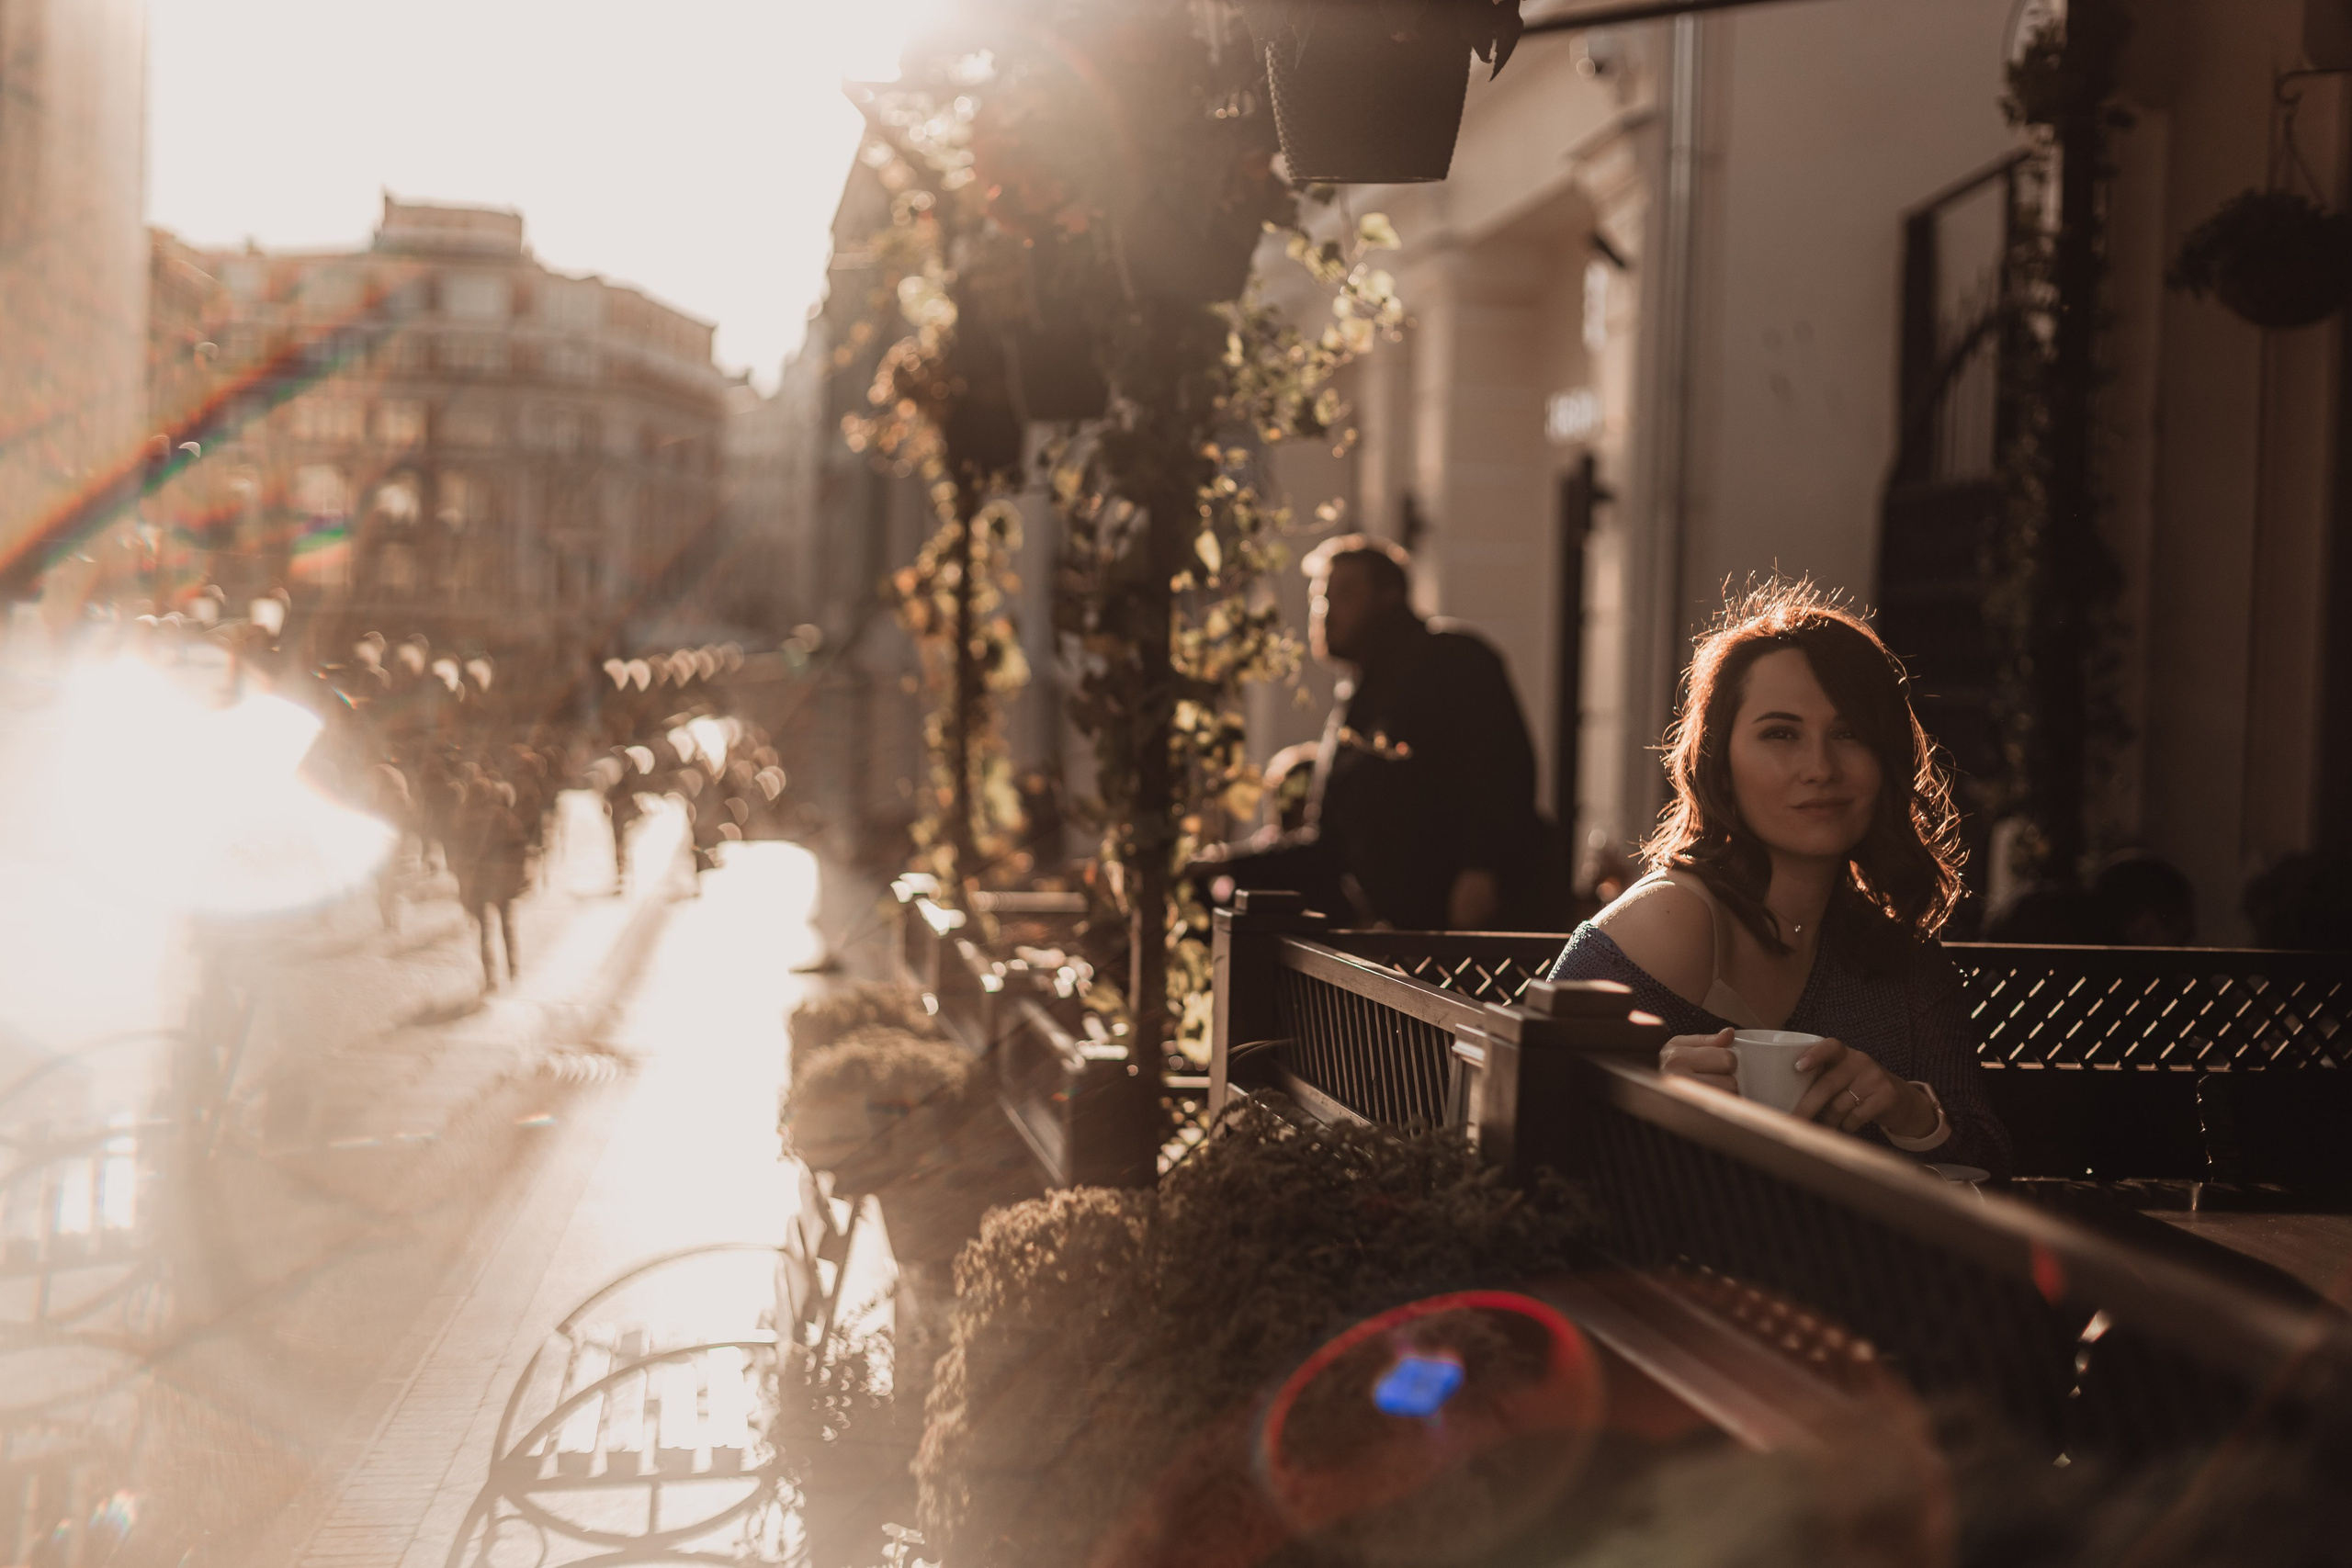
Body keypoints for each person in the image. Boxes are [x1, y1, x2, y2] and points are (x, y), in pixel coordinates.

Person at [1545, 581, 2009, 1176]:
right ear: (1721, 762)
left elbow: (1991, 1163)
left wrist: (1907, 1108)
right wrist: (1644, 1094)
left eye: (1849, 733)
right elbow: (1520, 1118)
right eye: (1780, 733)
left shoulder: (1902, 962)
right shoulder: (1673, 921)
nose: (1820, 768)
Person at [1197, 536, 1547, 929]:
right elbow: (1328, 844)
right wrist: (1225, 862)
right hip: (1410, 933)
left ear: (1389, 597)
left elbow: (1504, 769)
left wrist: (1482, 869)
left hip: (1476, 926)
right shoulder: (1355, 704)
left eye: (1343, 595)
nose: (1325, 613)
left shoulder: (1455, 661)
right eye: (1320, 599)